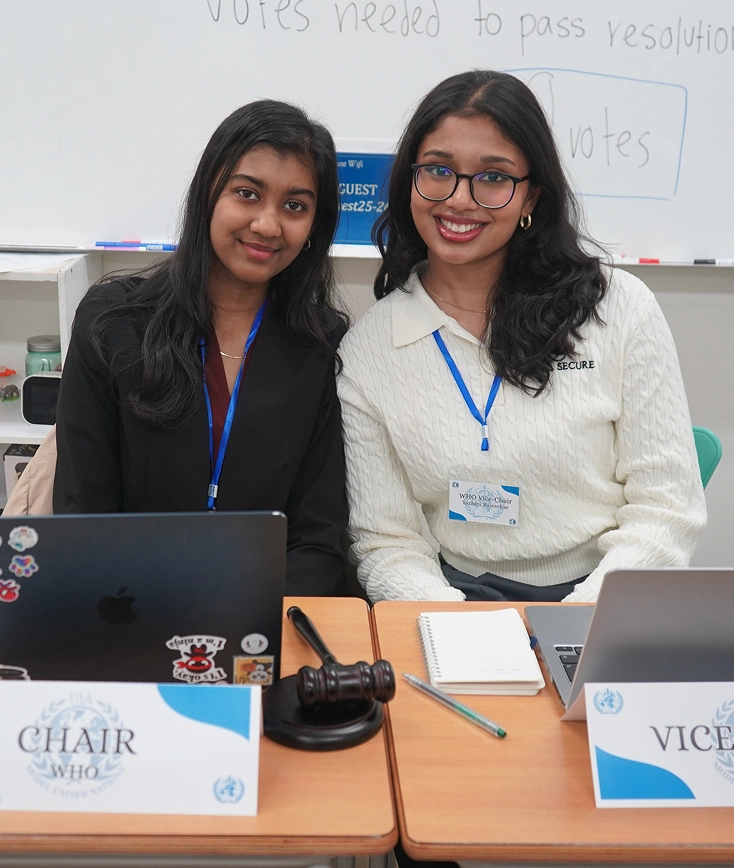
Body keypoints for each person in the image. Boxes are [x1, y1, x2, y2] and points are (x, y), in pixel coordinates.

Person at [337, 70, 706, 604]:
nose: (460, 200)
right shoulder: (370, 350)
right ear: (410, 181)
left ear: (531, 196)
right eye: (438, 170)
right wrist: (458, 626)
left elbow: (667, 512)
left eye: (493, 177)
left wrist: (578, 621)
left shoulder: (618, 309)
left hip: (604, 588)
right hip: (449, 593)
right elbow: (387, 541)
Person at [54, 100, 348, 596]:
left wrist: (247, 613)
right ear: (208, 192)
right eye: (247, 194)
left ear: (315, 226)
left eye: (295, 206)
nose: (268, 224)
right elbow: (83, 512)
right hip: (127, 604)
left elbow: (318, 539)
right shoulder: (114, 321)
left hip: (266, 611)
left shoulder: (322, 344)